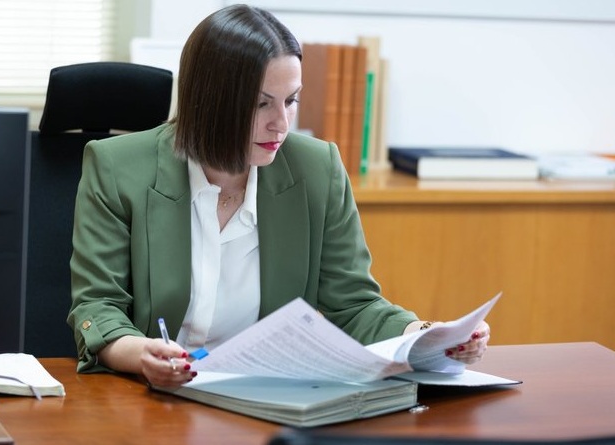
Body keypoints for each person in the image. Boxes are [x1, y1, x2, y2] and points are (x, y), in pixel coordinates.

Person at [67, 4, 490, 387]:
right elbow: (98, 306)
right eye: (261, 105)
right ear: (209, 102)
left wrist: (429, 336)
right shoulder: (117, 167)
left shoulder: (317, 169)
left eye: (290, 101)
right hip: (153, 398)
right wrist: (142, 354)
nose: (281, 125)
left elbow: (355, 304)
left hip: (265, 395)